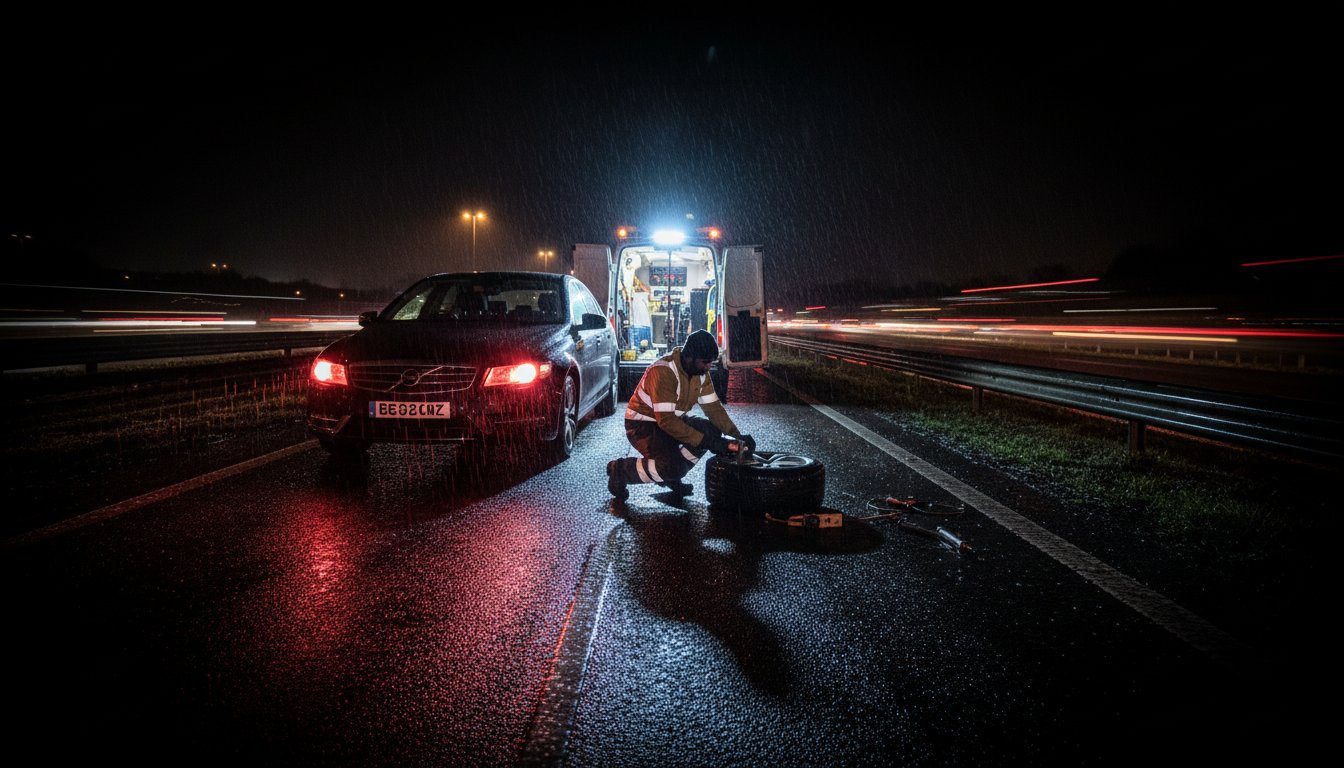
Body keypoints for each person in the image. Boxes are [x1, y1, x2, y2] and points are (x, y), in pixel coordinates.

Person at [606, 329, 755, 500]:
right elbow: (667, 421)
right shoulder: (664, 372)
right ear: (689, 357)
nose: (708, 367)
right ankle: (622, 471)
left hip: (669, 421)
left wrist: (737, 436)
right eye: (705, 362)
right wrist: (708, 442)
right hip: (643, 425)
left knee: (711, 431)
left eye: (710, 363)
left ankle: (670, 473)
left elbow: (714, 409)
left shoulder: (700, 374)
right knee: (674, 464)